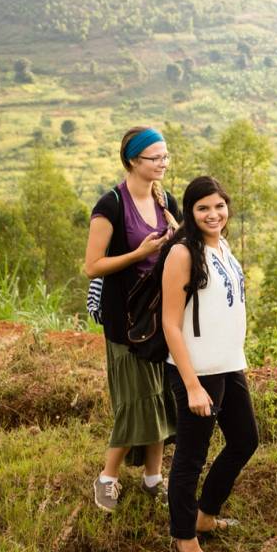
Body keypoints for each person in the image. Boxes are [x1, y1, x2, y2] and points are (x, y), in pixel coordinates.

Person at [162, 176, 258, 552]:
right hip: (198, 371)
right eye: (203, 208)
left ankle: (205, 514)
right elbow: (170, 323)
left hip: (228, 364)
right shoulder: (183, 253)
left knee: (245, 440)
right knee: (190, 458)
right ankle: (184, 541)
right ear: (190, 212)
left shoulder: (222, 246)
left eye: (219, 206)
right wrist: (191, 385)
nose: (213, 214)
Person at [84, 126, 180, 513]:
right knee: (135, 400)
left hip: (160, 317)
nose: (162, 163)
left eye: (165, 156)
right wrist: (138, 252)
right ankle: (107, 477)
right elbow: (93, 265)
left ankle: (153, 478)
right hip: (125, 320)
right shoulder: (110, 205)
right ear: (132, 161)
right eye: (155, 158)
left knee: (158, 396)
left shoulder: (166, 199)